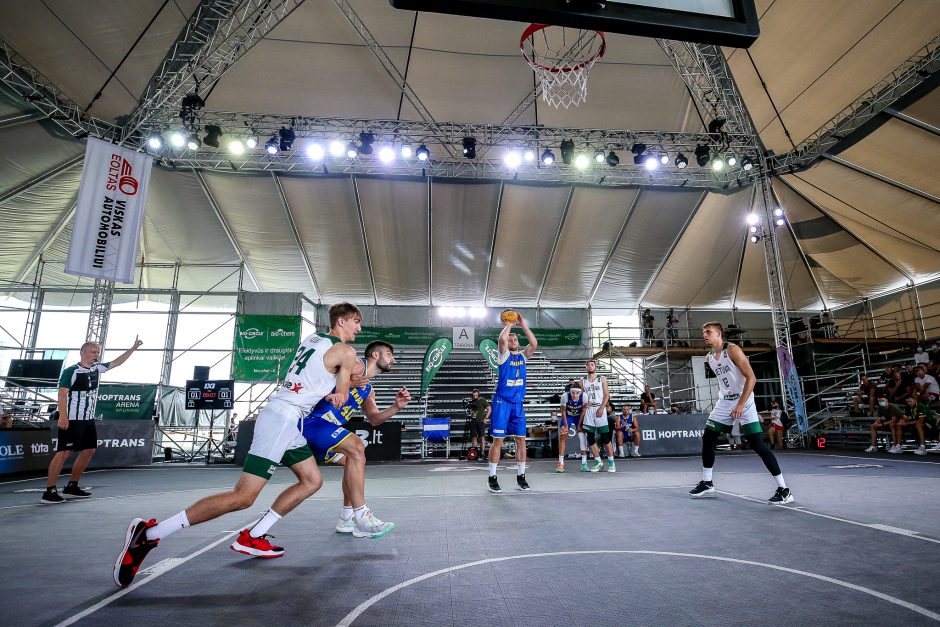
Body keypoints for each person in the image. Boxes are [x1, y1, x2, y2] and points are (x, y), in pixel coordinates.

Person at [113, 303, 362, 588]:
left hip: (286, 416)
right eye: (355, 321)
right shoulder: (346, 351)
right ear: (341, 321)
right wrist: (348, 388)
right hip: (283, 419)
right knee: (243, 497)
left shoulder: (313, 339)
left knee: (311, 480)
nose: (358, 328)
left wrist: (340, 385)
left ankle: (254, 536)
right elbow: (340, 392)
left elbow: (315, 377)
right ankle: (149, 534)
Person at [302, 341, 412, 537]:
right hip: (314, 423)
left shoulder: (368, 390)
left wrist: (396, 407)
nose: (393, 359)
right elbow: (316, 379)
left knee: (353, 463)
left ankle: (346, 518)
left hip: (325, 430)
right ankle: (362, 515)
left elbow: (374, 420)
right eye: (389, 354)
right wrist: (347, 384)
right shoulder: (356, 365)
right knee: (357, 447)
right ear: (375, 356)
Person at [689, 322, 793, 504]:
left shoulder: (733, 350)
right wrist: (727, 401)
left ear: (719, 334)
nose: (704, 335)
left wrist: (740, 404)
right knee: (708, 437)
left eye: (708, 332)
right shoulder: (709, 357)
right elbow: (726, 381)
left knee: (757, 445)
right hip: (724, 403)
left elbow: (752, 378)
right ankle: (707, 482)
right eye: (703, 332)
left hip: (744, 401)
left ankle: (784, 490)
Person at [41, 337, 143, 504]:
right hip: (72, 419)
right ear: (83, 352)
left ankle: (72, 486)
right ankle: (49, 491)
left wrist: (132, 348)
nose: (96, 355)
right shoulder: (71, 371)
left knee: (89, 450)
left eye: (97, 352)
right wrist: (63, 416)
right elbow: (62, 394)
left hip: (87, 418)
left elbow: (117, 362)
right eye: (93, 352)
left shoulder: (96, 368)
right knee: (64, 453)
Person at [487, 314, 537, 493]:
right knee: (498, 441)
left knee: (521, 441)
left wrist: (522, 324)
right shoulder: (503, 356)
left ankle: (521, 477)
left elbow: (533, 344)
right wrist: (508, 325)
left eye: (515, 338)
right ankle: (492, 477)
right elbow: (501, 338)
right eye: (511, 338)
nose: (513, 339)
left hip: (517, 404)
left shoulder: (523, 357)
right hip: (502, 403)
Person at [580, 359, 614, 473]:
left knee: (605, 437)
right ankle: (599, 462)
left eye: (592, 365)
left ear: (595, 367)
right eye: (588, 365)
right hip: (589, 410)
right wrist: (585, 403)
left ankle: (611, 462)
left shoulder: (602, 379)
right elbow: (581, 396)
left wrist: (601, 408)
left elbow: (606, 395)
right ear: (586, 368)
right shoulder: (582, 381)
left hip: (600, 408)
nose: (590, 367)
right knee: (590, 438)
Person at [556, 384, 584, 473]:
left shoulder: (584, 396)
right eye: (573, 393)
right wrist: (566, 425)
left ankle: (584, 463)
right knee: (563, 435)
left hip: (578, 416)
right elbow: (563, 411)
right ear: (570, 392)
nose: (575, 395)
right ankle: (561, 462)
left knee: (582, 436)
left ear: (580, 392)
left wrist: (579, 424)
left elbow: (583, 411)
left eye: (577, 393)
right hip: (568, 416)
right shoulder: (565, 396)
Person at [467, 388, 490, 456]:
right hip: (473, 421)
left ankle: (482, 452)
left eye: (476, 395)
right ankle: (474, 453)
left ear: (478, 395)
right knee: (473, 437)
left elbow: (489, 409)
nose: (475, 396)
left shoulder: (482, 400)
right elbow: (470, 411)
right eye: (473, 395)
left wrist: (486, 418)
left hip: (480, 421)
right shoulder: (472, 402)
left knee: (482, 437)